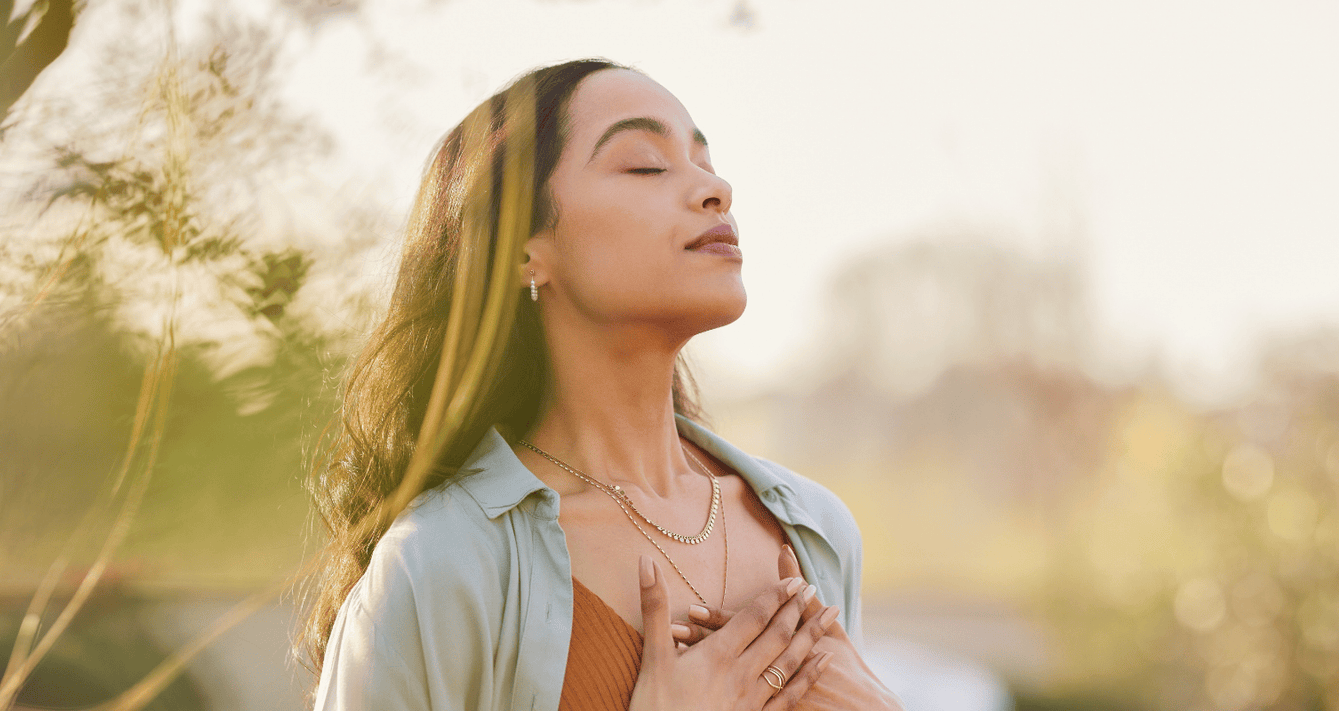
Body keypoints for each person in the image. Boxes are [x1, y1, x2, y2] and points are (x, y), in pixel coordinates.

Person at [298, 58, 903, 711]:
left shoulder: (815, 529)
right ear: (523, 249)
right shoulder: (442, 564)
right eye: (646, 164)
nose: (716, 188)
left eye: (705, 161)